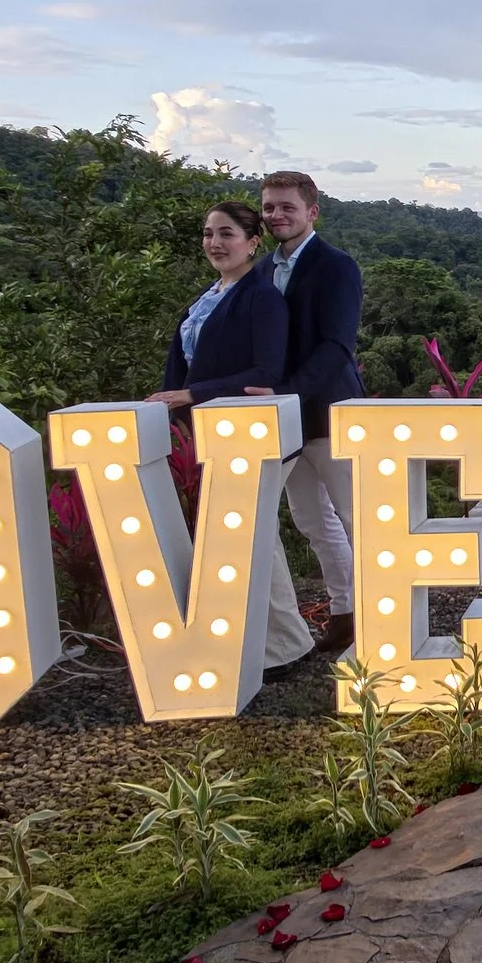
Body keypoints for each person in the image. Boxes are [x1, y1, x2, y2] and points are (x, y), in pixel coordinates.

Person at [147, 198, 315, 669]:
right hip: (206, 434)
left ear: (252, 242)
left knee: (245, 534)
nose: (214, 243)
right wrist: (169, 406)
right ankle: (285, 642)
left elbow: (266, 369)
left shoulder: (262, 298)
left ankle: (283, 647)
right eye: (207, 234)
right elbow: (177, 373)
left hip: (252, 434)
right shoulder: (207, 297)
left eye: (226, 234)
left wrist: (191, 394)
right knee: (253, 536)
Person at [260, 168, 365, 654]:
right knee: (310, 521)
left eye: (286, 207)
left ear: (311, 212)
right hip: (283, 422)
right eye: (269, 207)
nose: (276, 215)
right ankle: (345, 613)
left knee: (356, 517)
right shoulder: (260, 270)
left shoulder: (336, 265)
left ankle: (381, 617)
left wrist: (288, 394)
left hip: (329, 412)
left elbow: (336, 345)